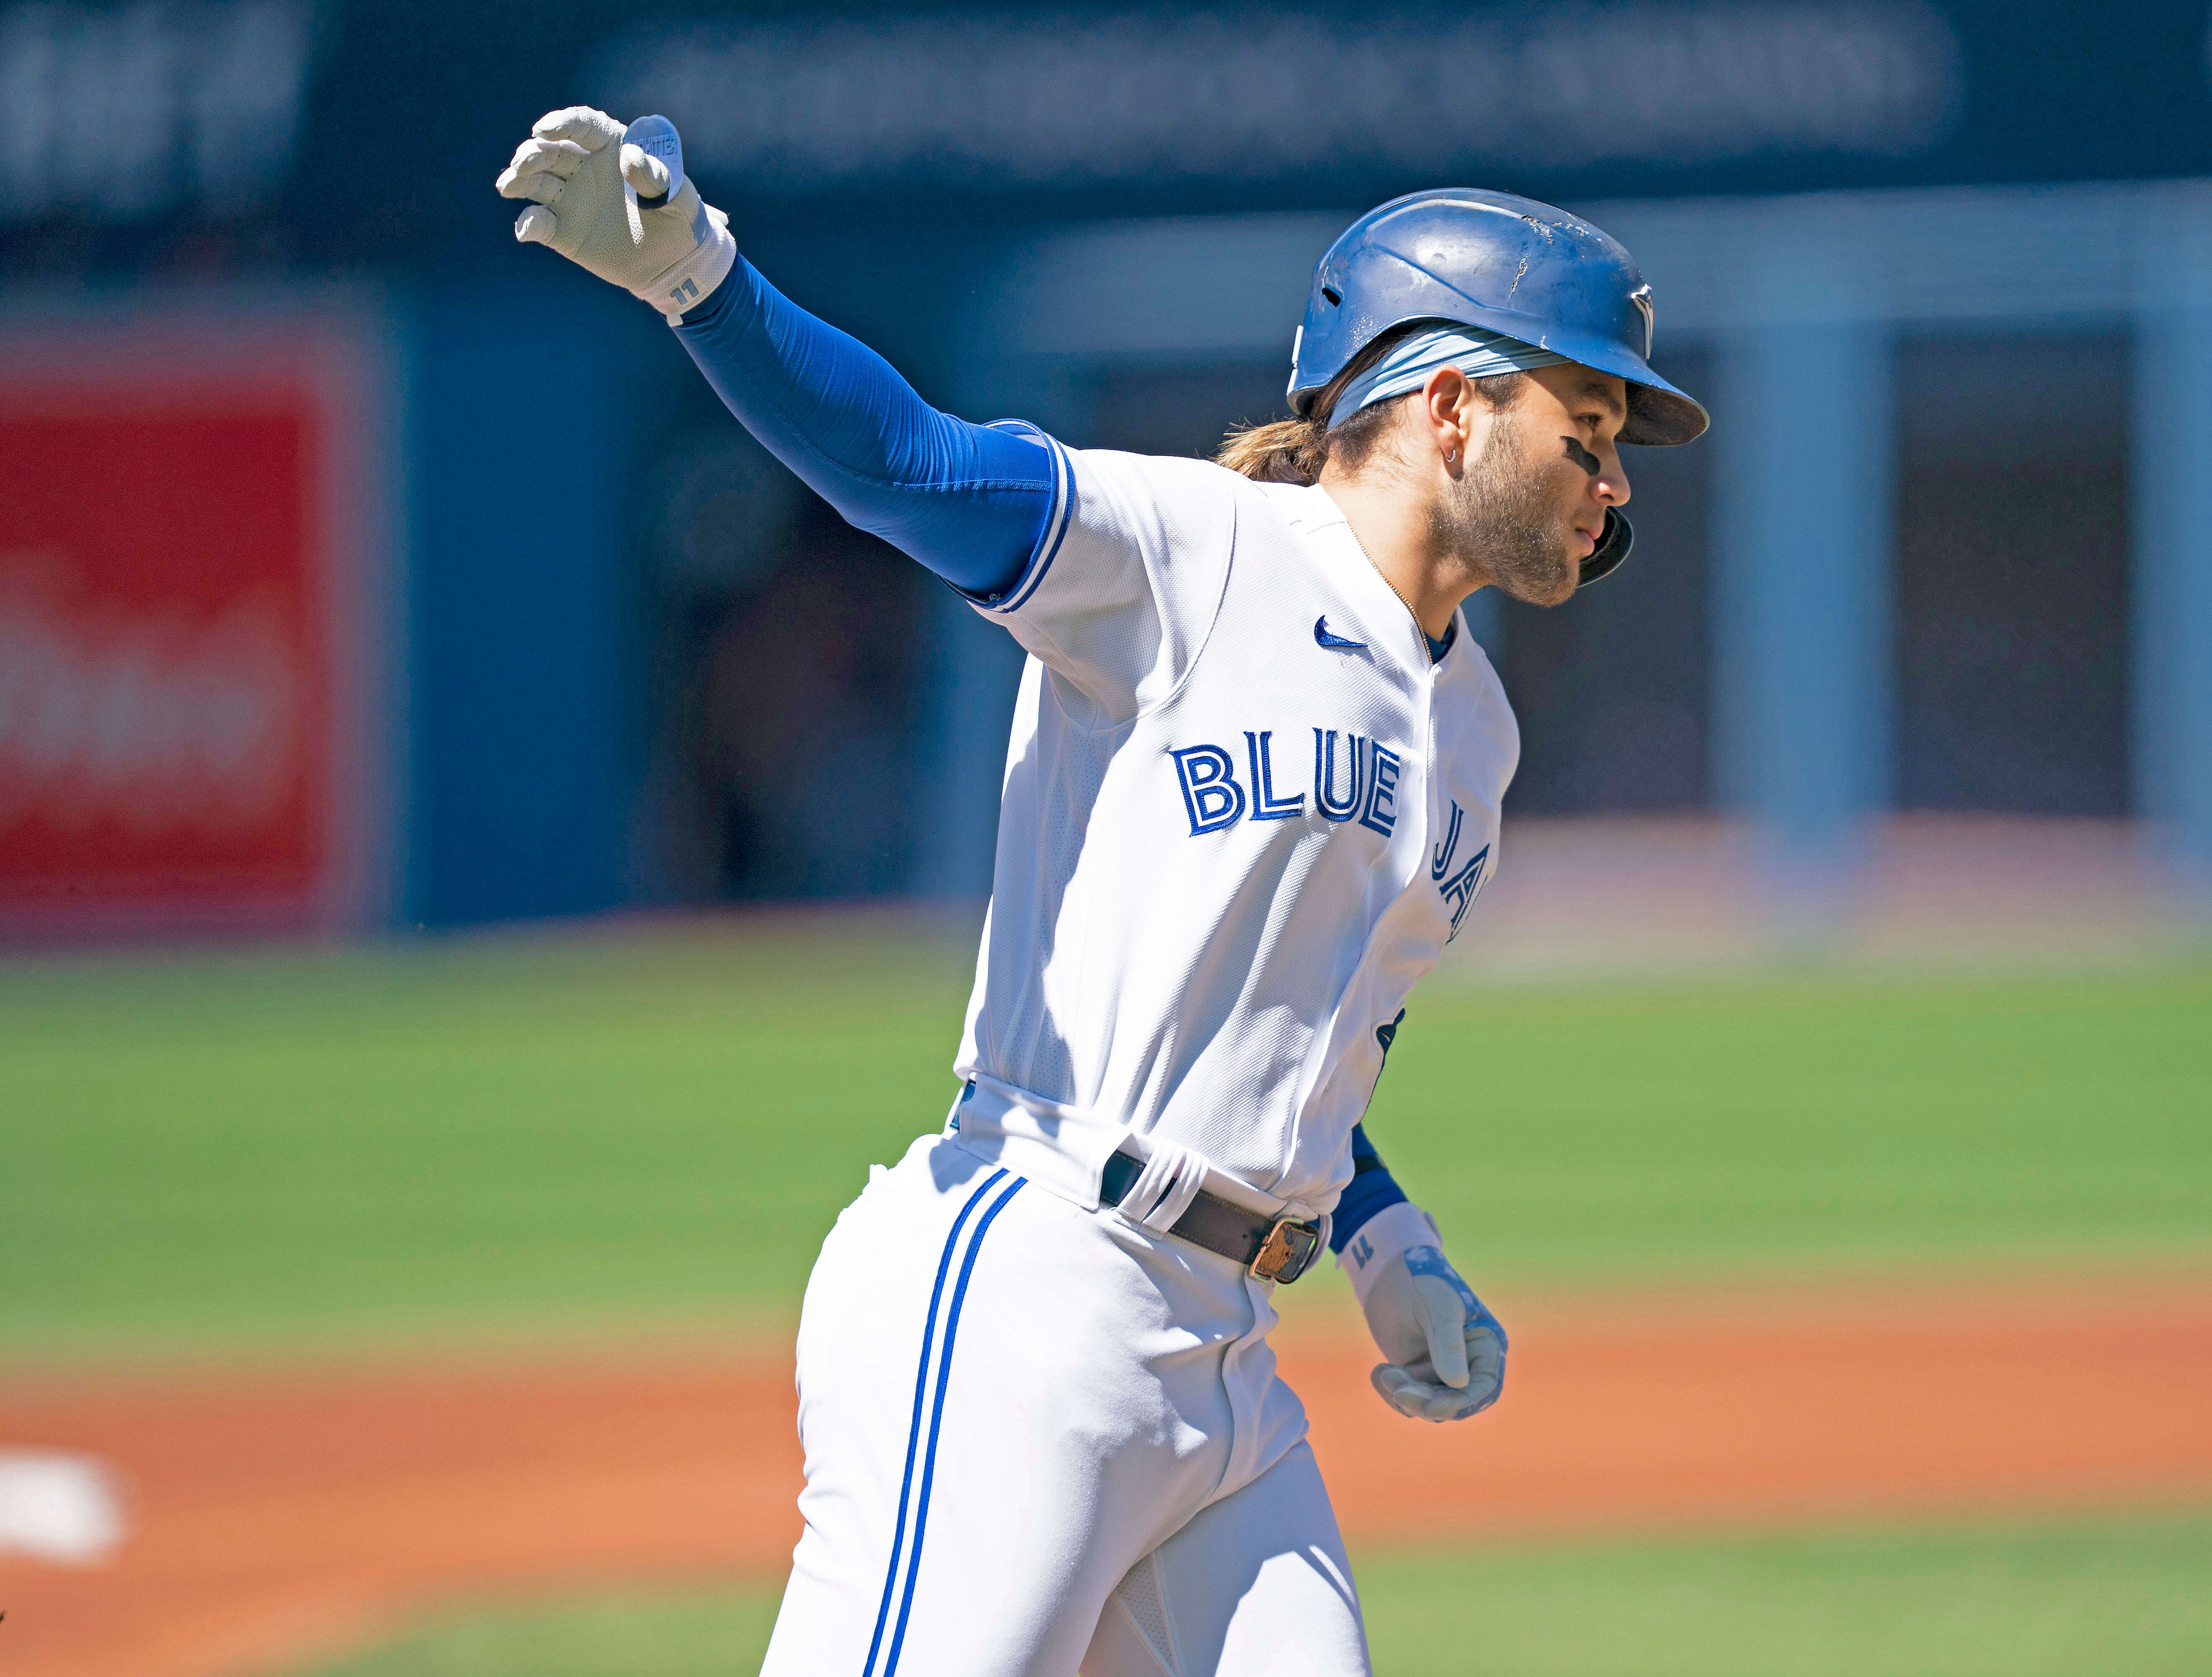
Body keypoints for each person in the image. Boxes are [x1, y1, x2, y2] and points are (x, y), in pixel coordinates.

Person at [497, 106, 1707, 1677]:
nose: (1611, 484)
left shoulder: (1475, 724)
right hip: (1030, 1290)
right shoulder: (1193, 556)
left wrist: (1389, 1241)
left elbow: (1302, 1033)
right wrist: (698, 277)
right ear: (1456, 404)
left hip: (1223, 1364)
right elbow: (908, 465)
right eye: (1587, 430)